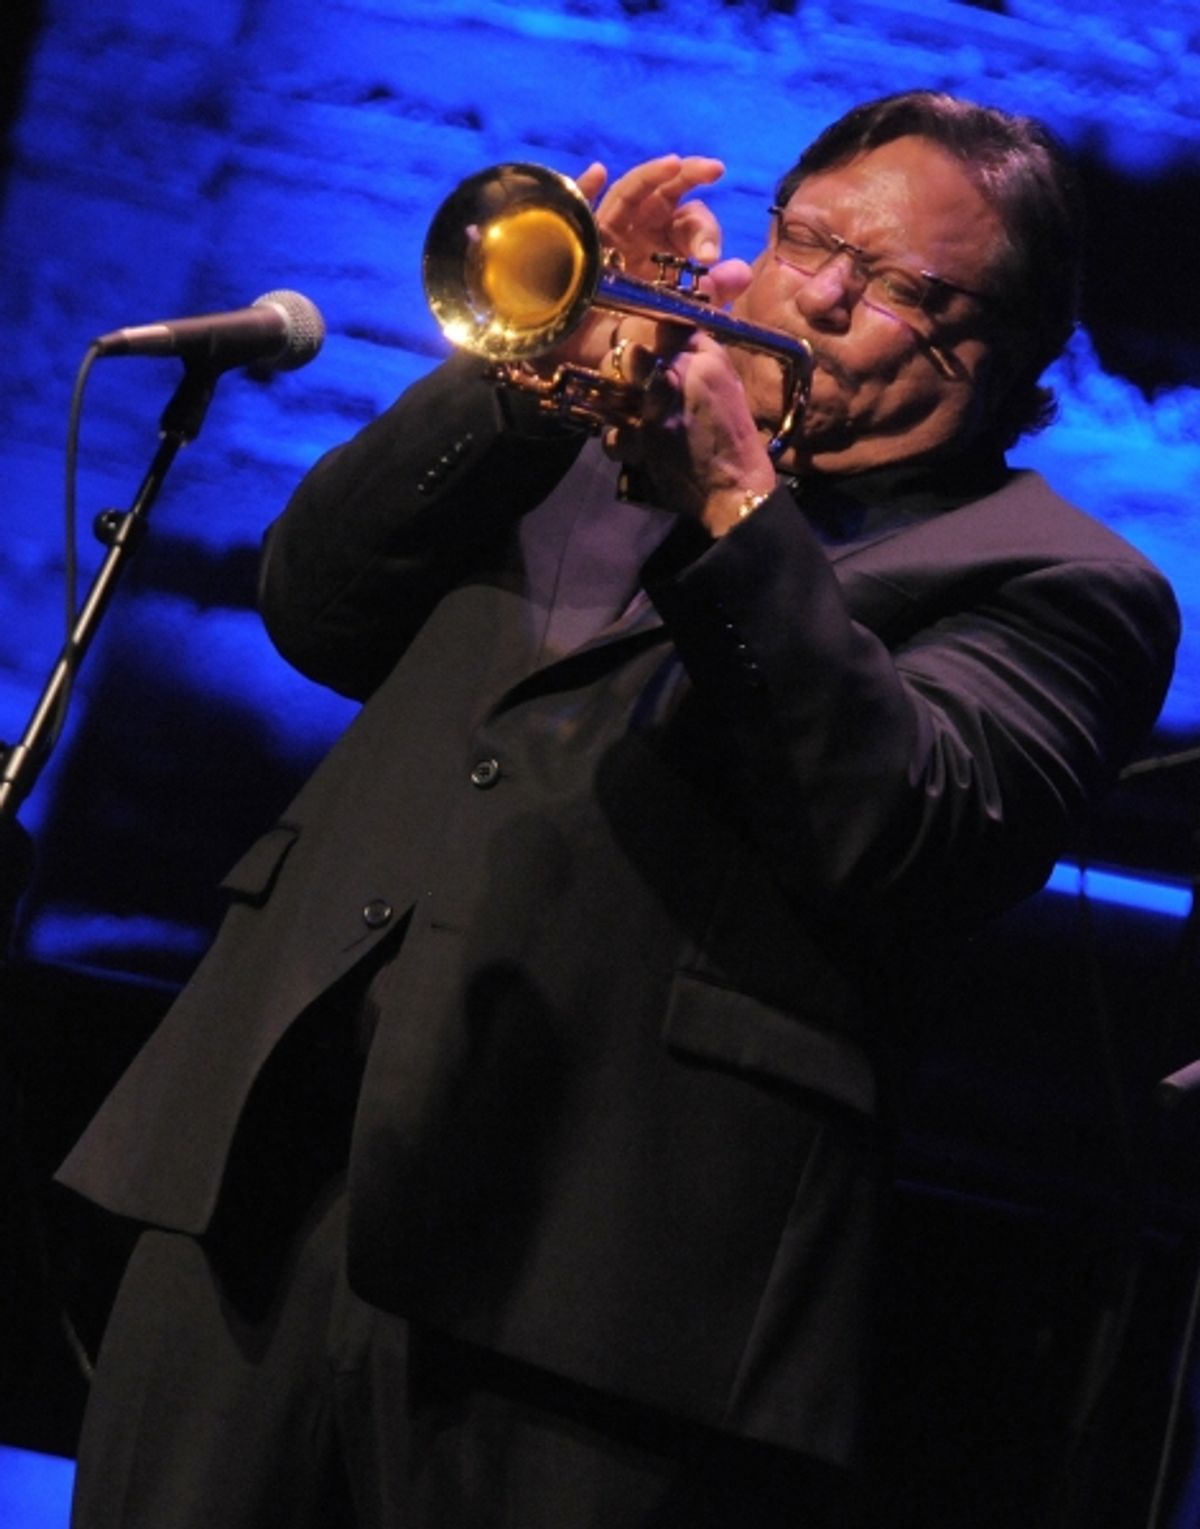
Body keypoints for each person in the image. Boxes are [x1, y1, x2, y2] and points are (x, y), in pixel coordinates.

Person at [60, 90, 1179, 1527]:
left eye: (899, 285)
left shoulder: (1060, 582)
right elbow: (315, 605)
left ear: (1002, 347)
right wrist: (517, 383)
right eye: (812, 239)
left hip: (601, 1280)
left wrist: (732, 504)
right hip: (264, 1184)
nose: (822, 297)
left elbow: (900, 832)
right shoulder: (571, 437)